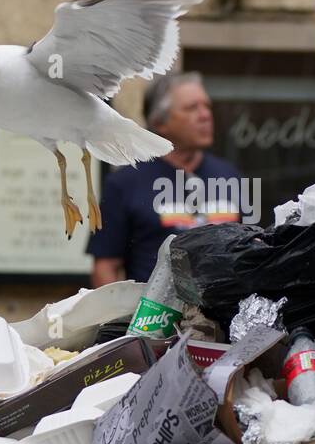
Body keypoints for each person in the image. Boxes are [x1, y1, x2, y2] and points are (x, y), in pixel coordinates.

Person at [88, 73, 241, 285]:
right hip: (155, 314)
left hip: (224, 314)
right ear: (160, 123)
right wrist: (126, 318)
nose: (205, 115)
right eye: (191, 108)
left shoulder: (228, 175)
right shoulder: (125, 183)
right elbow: (105, 267)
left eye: (206, 106)